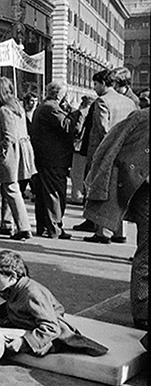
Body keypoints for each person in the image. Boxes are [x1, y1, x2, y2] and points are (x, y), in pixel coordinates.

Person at [0, 250, 108, 386]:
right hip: (28, 327)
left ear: (12, 276)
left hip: (47, 339)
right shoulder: (12, 288)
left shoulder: (32, 292)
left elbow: (53, 328)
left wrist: (25, 342)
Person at [84, 109, 148, 330]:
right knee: (148, 251)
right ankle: (143, 311)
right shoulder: (142, 118)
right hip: (146, 193)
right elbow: (109, 149)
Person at [77, 69, 138, 243]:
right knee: (121, 192)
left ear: (104, 84)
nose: (94, 88)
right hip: (126, 151)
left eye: (95, 84)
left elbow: (105, 130)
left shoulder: (102, 101)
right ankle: (120, 232)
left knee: (103, 191)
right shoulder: (129, 103)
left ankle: (103, 232)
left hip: (107, 152)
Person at [0, 77, 32, 241]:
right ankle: (7, 224)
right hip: (22, 152)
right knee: (10, 188)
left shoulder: (4, 110)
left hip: (10, 154)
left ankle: (24, 227)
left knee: (11, 189)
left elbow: (9, 137)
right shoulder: (17, 106)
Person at [30, 82, 73, 239]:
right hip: (53, 159)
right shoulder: (51, 108)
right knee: (55, 193)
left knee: (44, 194)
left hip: (45, 157)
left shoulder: (44, 107)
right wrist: (78, 111)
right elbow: (68, 126)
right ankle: (55, 227)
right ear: (59, 95)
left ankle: (45, 226)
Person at [67, 96, 93, 204]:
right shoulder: (93, 112)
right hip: (89, 146)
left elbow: (77, 128)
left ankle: (76, 196)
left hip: (79, 146)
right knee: (87, 173)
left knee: (77, 173)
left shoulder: (81, 113)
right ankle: (86, 195)